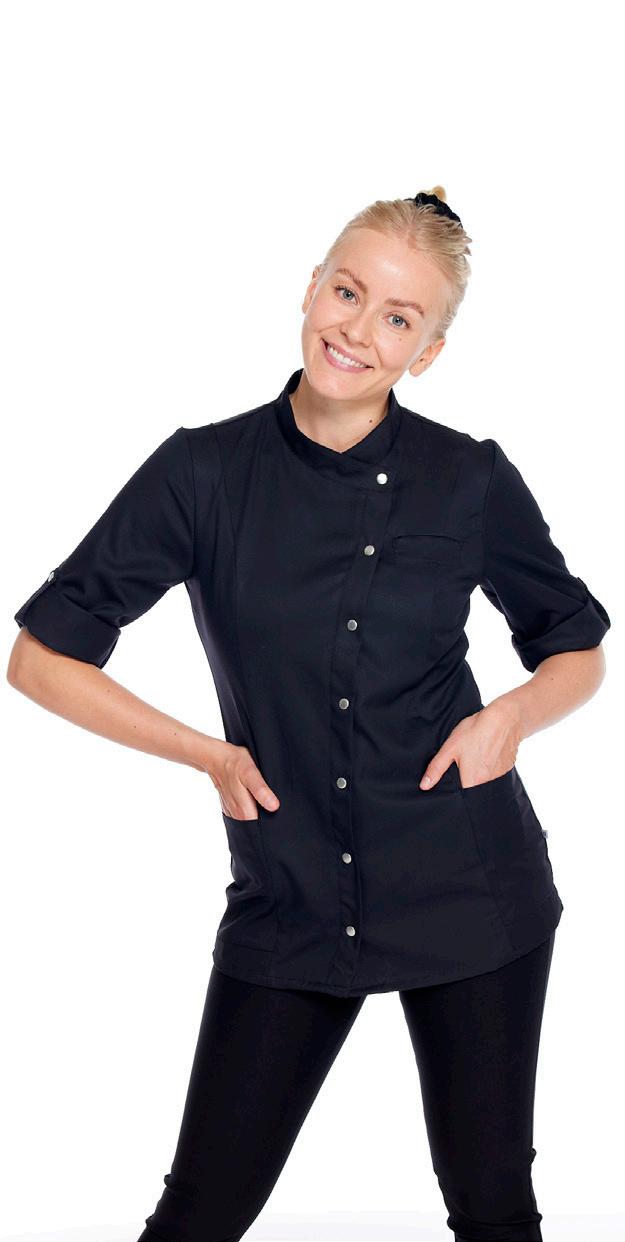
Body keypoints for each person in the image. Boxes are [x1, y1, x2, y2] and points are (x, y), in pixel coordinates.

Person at [8, 186, 611, 1242]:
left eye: (398, 317)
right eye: (347, 292)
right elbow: (41, 658)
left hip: (470, 889)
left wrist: (511, 717)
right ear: (309, 289)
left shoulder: (467, 478)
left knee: (492, 1208)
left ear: (426, 352)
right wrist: (205, 753)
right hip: (287, 898)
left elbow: (575, 645)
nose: (358, 329)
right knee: (197, 1216)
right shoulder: (202, 472)